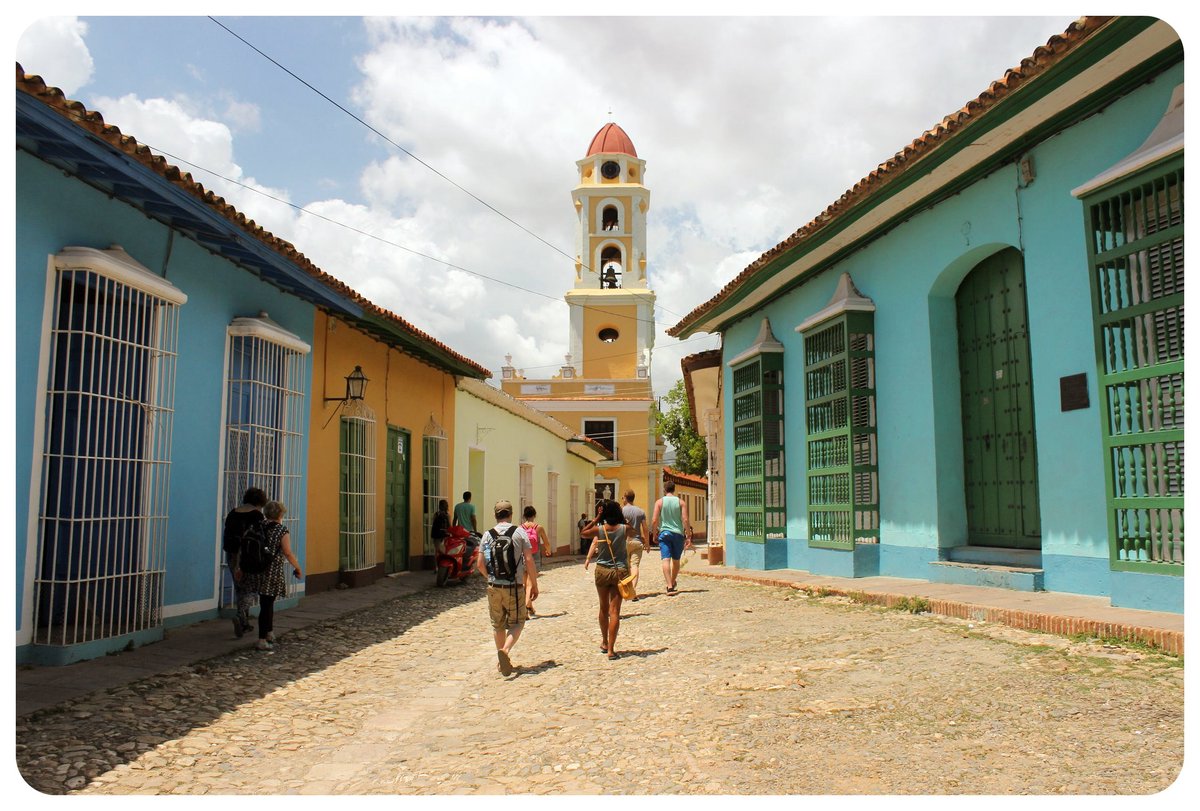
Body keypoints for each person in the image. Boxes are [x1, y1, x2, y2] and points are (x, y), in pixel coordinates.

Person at [475, 500, 537, 676]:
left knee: (498, 624)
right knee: (518, 622)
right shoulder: (519, 532)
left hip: (494, 586)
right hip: (514, 586)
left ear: (495, 515)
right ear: (510, 514)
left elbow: (480, 564)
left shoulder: (487, 535)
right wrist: (534, 584)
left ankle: (501, 659)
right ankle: (506, 651)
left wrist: (490, 577)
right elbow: (529, 560)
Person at [239, 500, 302, 651]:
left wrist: (239, 567)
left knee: (267, 604)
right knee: (267, 605)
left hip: (255, 571)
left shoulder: (257, 526)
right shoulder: (281, 530)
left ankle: (269, 632)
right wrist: (298, 567)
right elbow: (287, 552)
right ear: (280, 514)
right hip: (271, 572)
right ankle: (262, 639)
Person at [582, 499, 629, 660]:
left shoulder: (599, 529)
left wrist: (596, 518)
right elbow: (638, 533)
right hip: (619, 571)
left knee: (603, 608)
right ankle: (611, 649)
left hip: (602, 570)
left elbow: (583, 532)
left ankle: (604, 641)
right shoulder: (625, 529)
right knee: (614, 611)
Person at [222, 487, 267, 638]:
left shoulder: (233, 512)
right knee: (252, 587)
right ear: (261, 501)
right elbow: (259, 538)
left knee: (239, 585)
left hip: (231, 553)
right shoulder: (257, 516)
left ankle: (244, 623)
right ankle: (241, 615)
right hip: (248, 555)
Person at [651, 481, 693, 595]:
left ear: (664, 490)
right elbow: (685, 520)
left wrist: (654, 534)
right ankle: (673, 581)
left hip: (664, 533)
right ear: (674, 489)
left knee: (665, 559)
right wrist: (688, 535)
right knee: (676, 561)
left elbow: (654, 520)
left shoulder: (659, 502)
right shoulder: (681, 502)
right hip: (678, 534)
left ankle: (669, 586)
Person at [621, 489, 649, 601]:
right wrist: (647, 542)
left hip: (624, 541)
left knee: (625, 567)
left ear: (625, 498)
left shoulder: (621, 511)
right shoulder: (640, 511)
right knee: (635, 566)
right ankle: (632, 590)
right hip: (637, 541)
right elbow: (645, 528)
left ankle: (626, 590)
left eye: (623, 497)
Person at [520, 505, 546, 617]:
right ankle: (526, 605)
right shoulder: (538, 528)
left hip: (522, 556)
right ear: (534, 515)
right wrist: (548, 550)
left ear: (524, 516)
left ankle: (529, 607)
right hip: (534, 556)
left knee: (524, 584)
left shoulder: (519, 528)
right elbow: (546, 542)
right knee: (530, 583)